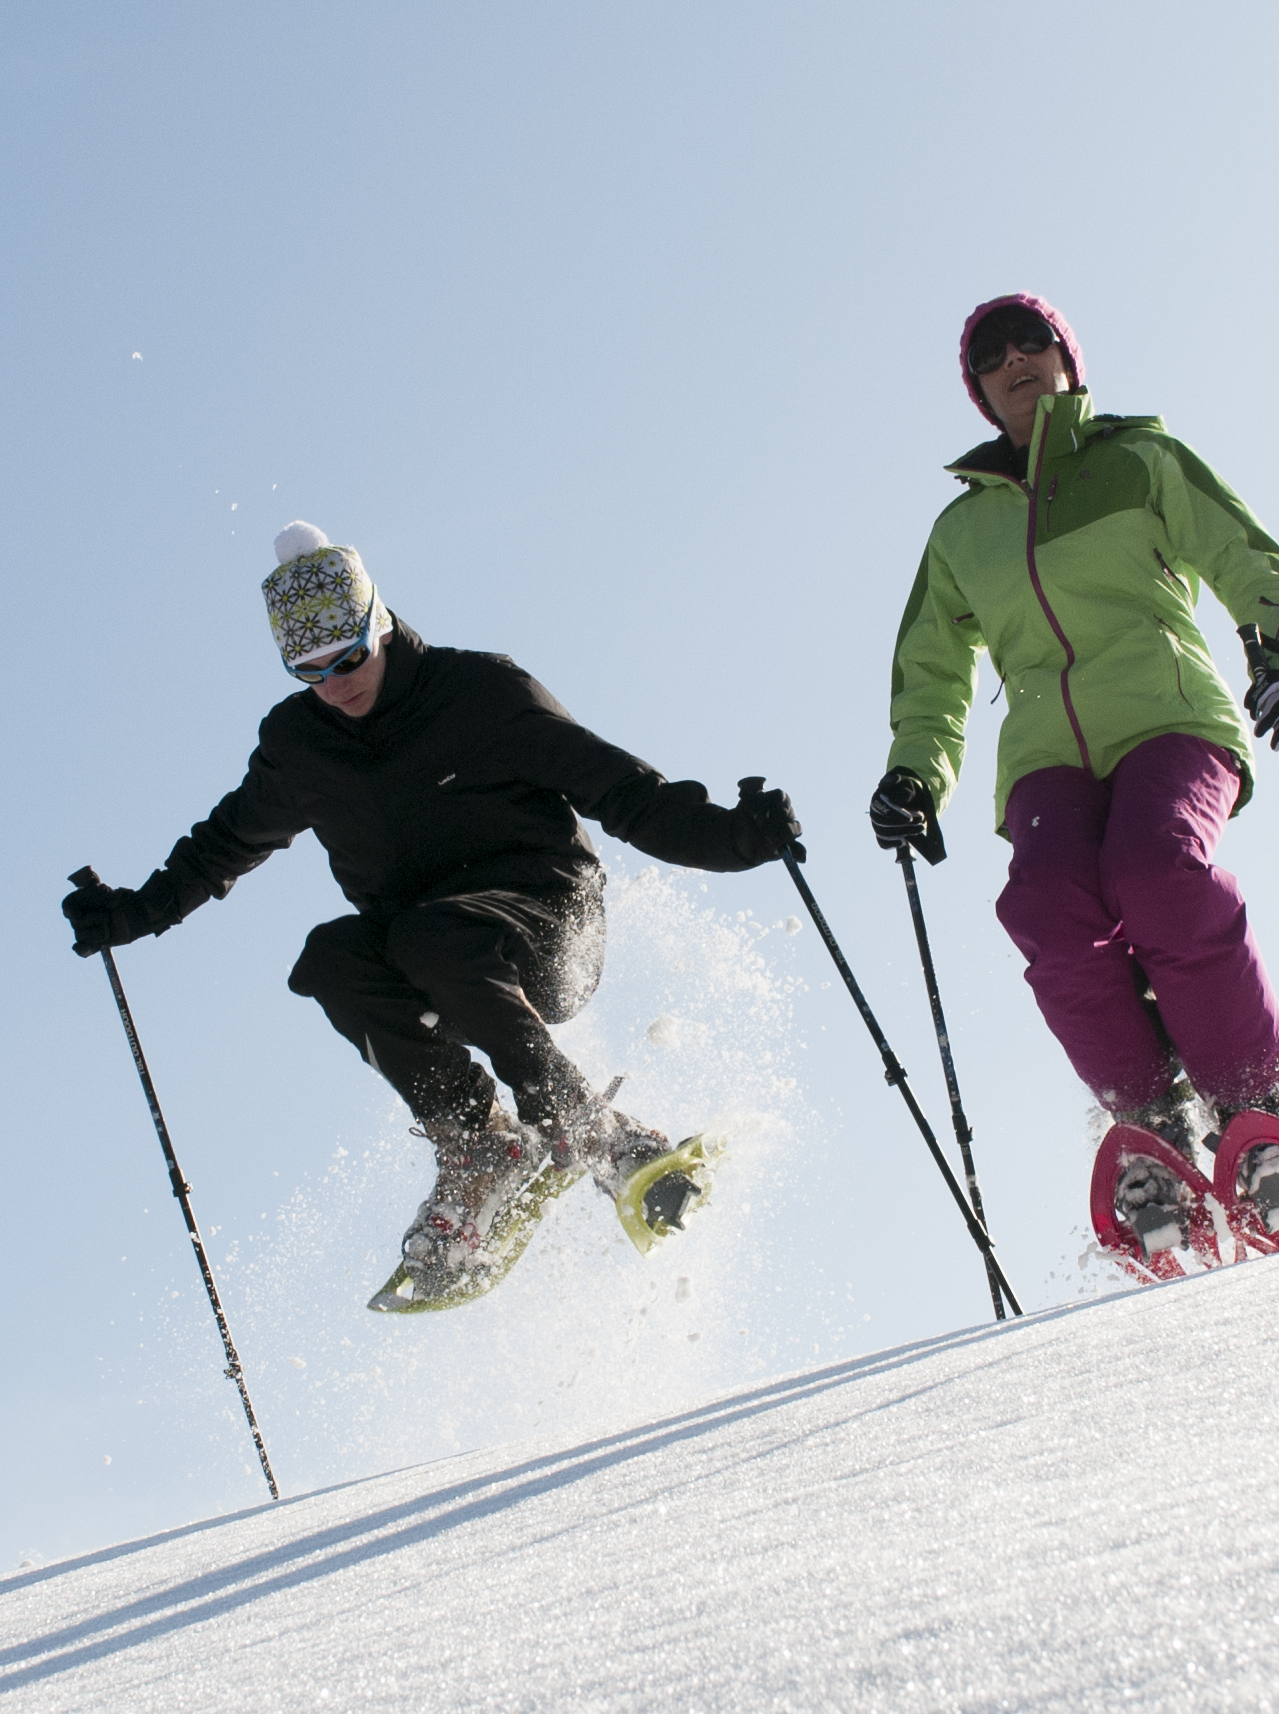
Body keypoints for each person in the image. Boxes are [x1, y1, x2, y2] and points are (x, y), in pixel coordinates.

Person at [65, 524, 798, 1288]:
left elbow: (621, 791)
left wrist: (732, 837)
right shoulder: (298, 746)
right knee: (331, 959)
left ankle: (594, 1131)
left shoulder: (479, 693)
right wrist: (131, 914)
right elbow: (221, 846)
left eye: (348, 656)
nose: (337, 682)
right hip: (434, 949)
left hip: (547, 923)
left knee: (428, 933)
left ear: (377, 621)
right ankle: (480, 1144)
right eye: (309, 671)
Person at [873, 292, 1279, 1252]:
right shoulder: (962, 533)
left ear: (1067, 359)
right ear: (978, 390)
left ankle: (1256, 1106)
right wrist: (917, 774)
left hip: (1169, 717)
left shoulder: (1140, 460)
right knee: (1046, 904)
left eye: (1031, 340)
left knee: (1155, 869)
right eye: (991, 354)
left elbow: (1243, 554)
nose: (1015, 359)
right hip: (1046, 752)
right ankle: (1153, 1126)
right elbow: (933, 672)